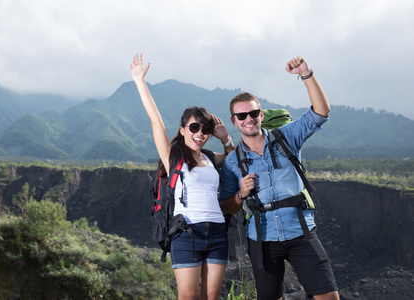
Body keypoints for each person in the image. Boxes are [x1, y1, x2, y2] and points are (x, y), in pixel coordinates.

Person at [219, 57, 339, 300]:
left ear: (261, 114)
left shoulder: (287, 137)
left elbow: (321, 112)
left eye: (253, 113)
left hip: (301, 231)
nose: (248, 119)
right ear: (234, 121)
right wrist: (241, 194)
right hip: (262, 239)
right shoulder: (232, 162)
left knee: (328, 296)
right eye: (242, 116)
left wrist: (306, 73)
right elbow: (226, 208)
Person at [130, 53, 235, 300]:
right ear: (183, 129)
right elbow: (156, 121)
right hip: (187, 233)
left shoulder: (210, 158)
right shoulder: (173, 157)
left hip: (218, 232)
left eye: (205, 129)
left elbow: (234, 158)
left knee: (213, 298)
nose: (200, 133)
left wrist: (224, 137)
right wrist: (139, 81)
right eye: (194, 127)